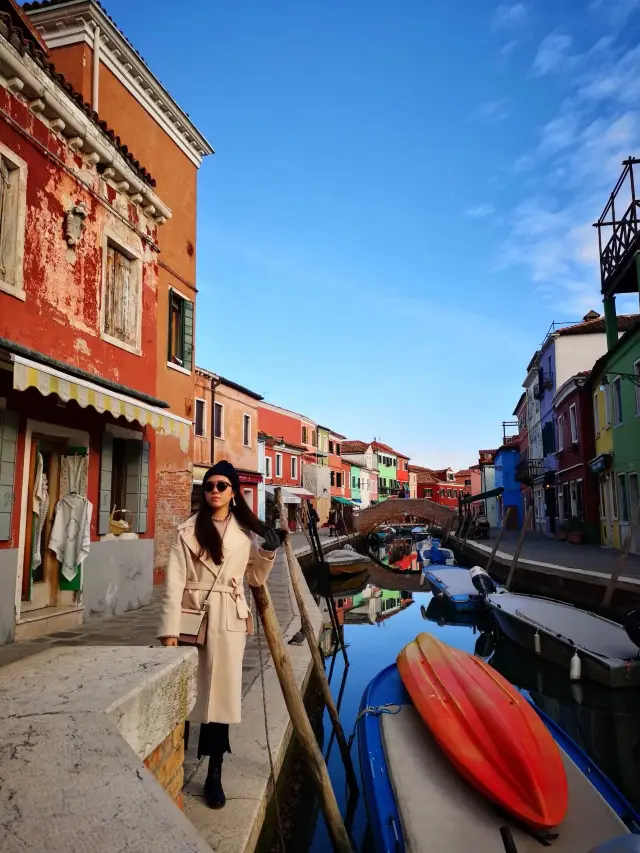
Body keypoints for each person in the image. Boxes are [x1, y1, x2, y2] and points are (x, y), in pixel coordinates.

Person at [157, 460, 285, 809]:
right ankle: (175, 767)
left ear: (233, 493)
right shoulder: (186, 531)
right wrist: (168, 631)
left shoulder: (244, 536)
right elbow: (173, 584)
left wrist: (268, 551)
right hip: (191, 618)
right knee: (184, 694)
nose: (214, 490)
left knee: (221, 700)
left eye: (221, 486)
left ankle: (214, 773)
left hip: (229, 620)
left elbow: (254, 578)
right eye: (209, 486)